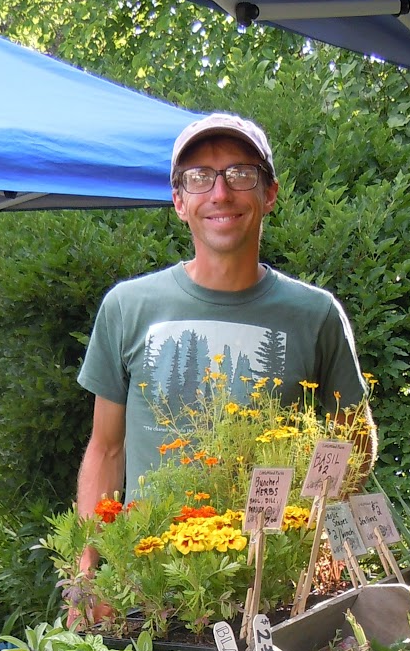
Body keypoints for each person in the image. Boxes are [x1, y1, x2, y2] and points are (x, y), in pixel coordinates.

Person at [75, 112, 371, 514]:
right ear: (180, 201)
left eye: (240, 174)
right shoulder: (128, 306)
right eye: (199, 177)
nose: (220, 193)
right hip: (151, 570)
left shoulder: (315, 314)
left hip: (274, 568)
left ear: (269, 194)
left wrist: (312, 529)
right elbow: (107, 449)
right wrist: (89, 559)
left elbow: (350, 440)